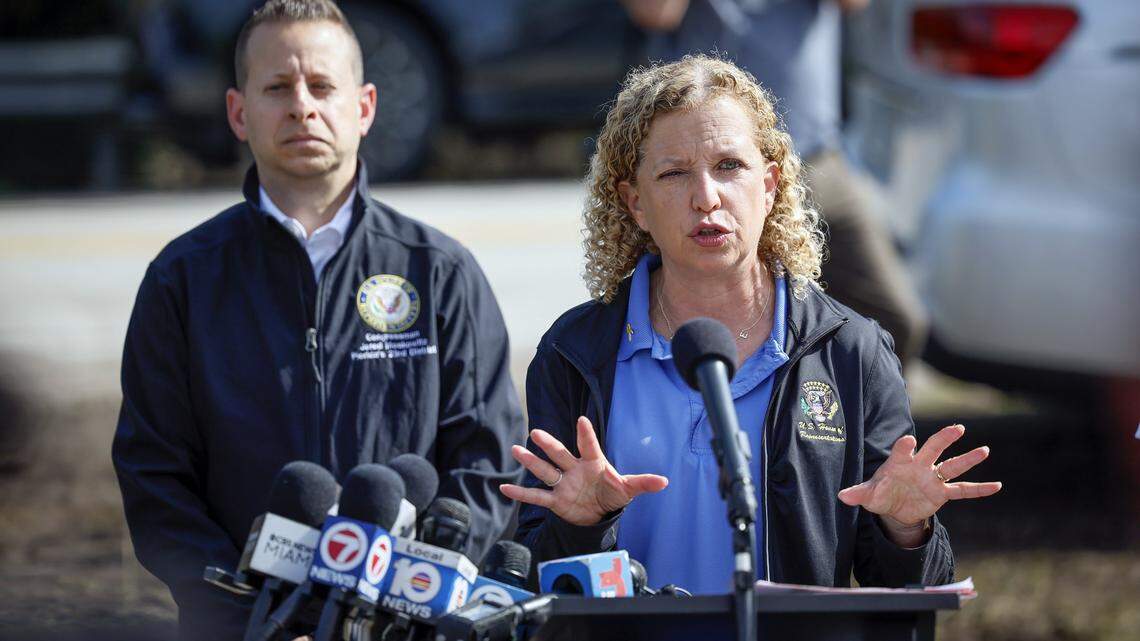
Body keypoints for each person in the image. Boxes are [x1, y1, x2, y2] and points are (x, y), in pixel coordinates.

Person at [501, 56, 1000, 594]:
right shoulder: (574, 352)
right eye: (674, 173)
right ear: (635, 202)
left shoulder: (852, 352)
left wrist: (905, 529)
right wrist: (579, 527)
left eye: (729, 166)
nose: (706, 197)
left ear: (770, 185)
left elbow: (910, 591)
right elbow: (531, 581)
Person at [111, 1, 525, 638]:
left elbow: (489, 462)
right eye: (277, 87)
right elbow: (154, 478)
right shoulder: (183, 279)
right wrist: (252, 616)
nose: (302, 105)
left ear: (364, 107)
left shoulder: (440, 271)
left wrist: (408, 599)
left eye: (322, 85)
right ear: (238, 113)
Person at [620, 0, 929, 368]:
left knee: (895, 320)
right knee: (729, 316)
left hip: (816, 158)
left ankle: (834, 414)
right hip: (713, 168)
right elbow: (656, 13)